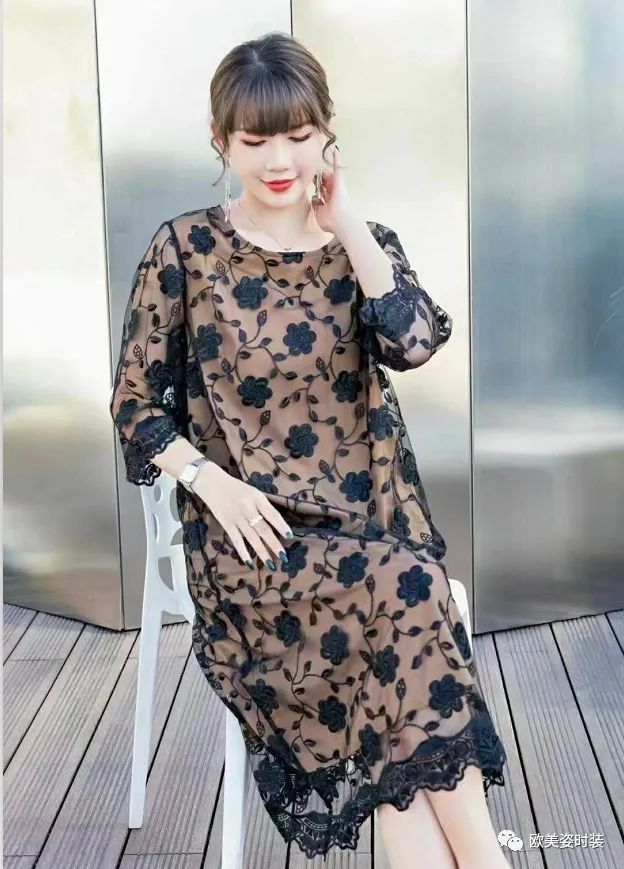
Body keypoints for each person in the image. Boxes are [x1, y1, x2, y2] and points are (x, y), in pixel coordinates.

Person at [109, 31, 510, 868]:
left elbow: (413, 343)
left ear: (328, 132)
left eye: (298, 135)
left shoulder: (363, 244)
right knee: (411, 592)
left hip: (366, 527)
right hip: (254, 542)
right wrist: (210, 481)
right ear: (221, 141)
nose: (279, 160)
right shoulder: (185, 251)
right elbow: (135, 405)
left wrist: (347, 224)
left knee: (401, 642)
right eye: (255, 140)